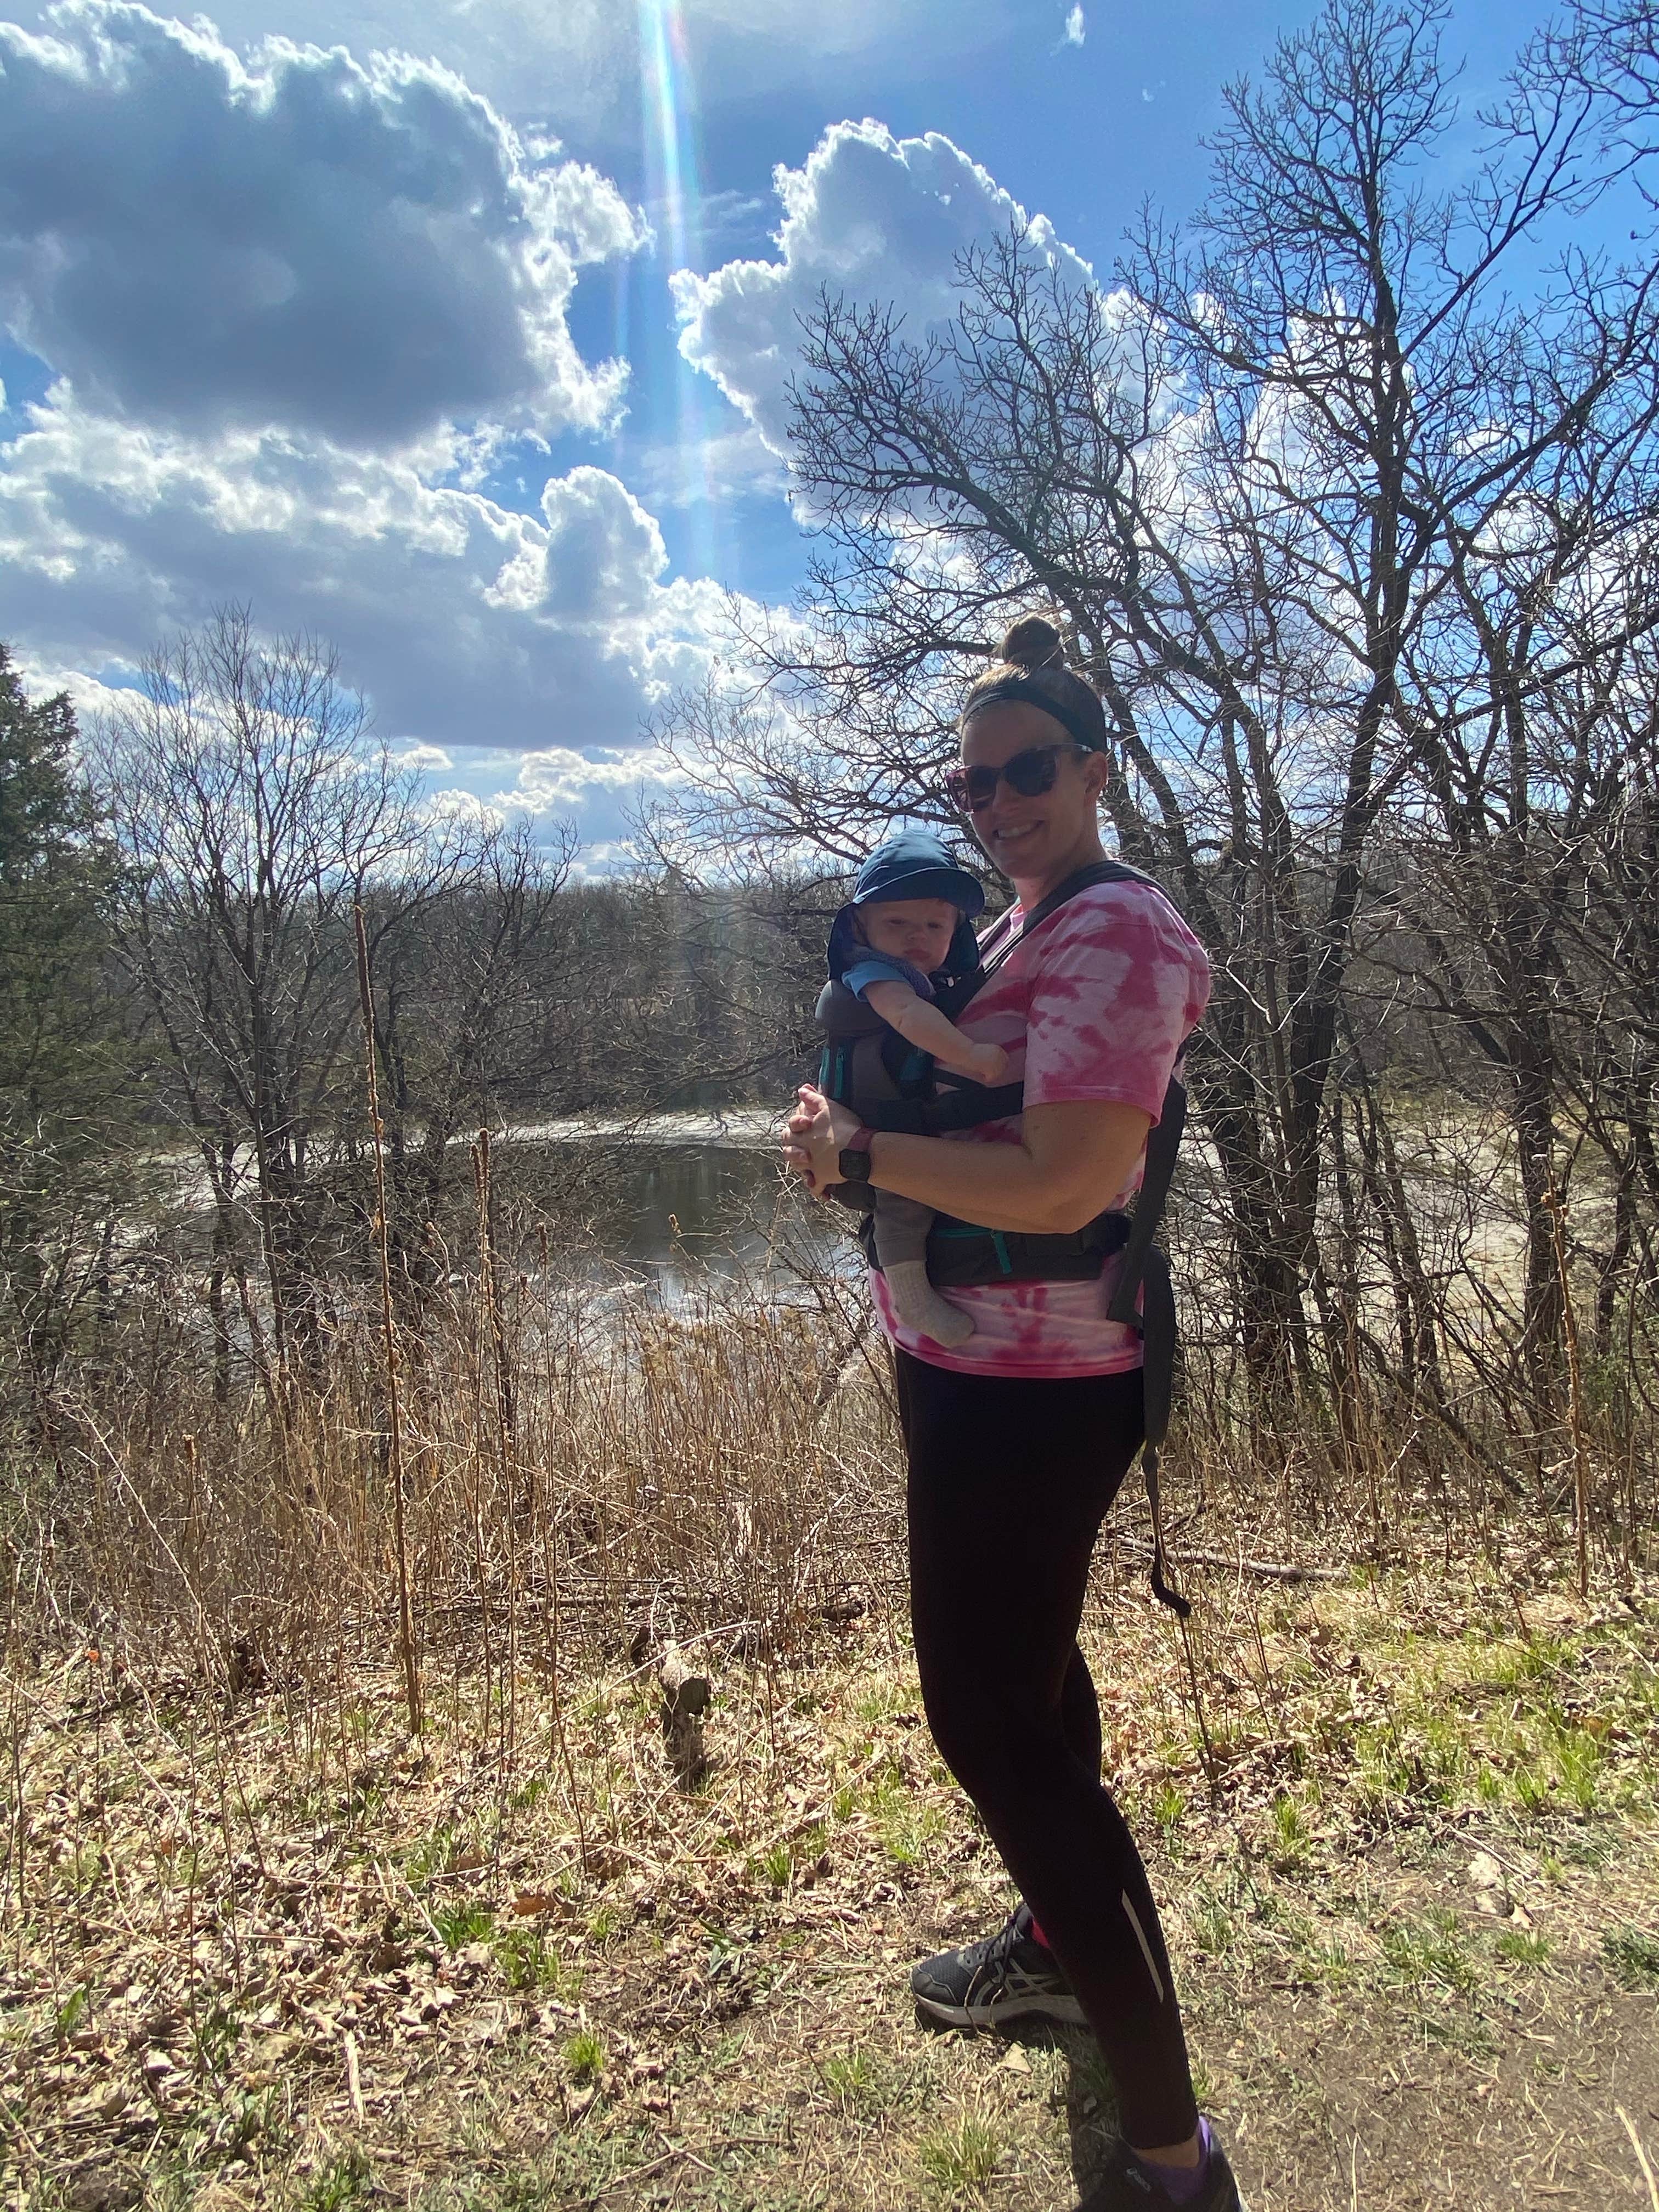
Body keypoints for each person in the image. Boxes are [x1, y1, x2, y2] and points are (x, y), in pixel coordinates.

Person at [782, 616, 1244, 2212]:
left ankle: (1174, 2157)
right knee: (1033, 1692)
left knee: (990, 1728)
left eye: (1026, 771)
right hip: (969, 1370)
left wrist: (860, 1160)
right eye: (973, 785)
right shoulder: (1020, 925)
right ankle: (1056, 1950)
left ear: (1095, 770)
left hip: (1038, 1391)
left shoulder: (1119, 932)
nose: (996, 805)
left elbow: (1064, 1181)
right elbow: (953, 1098)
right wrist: (838, 1123)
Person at [817, 829, 1009, 1348]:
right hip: (878, 1117)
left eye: (934, 925)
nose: (916, 937)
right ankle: (911, 1296)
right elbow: (907, 1016)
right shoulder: (876, 974)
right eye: (897, 923)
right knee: (905, 1199)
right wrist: (971, 1055)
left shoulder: (927, 975)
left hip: (890, 1108)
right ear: (861, 926)